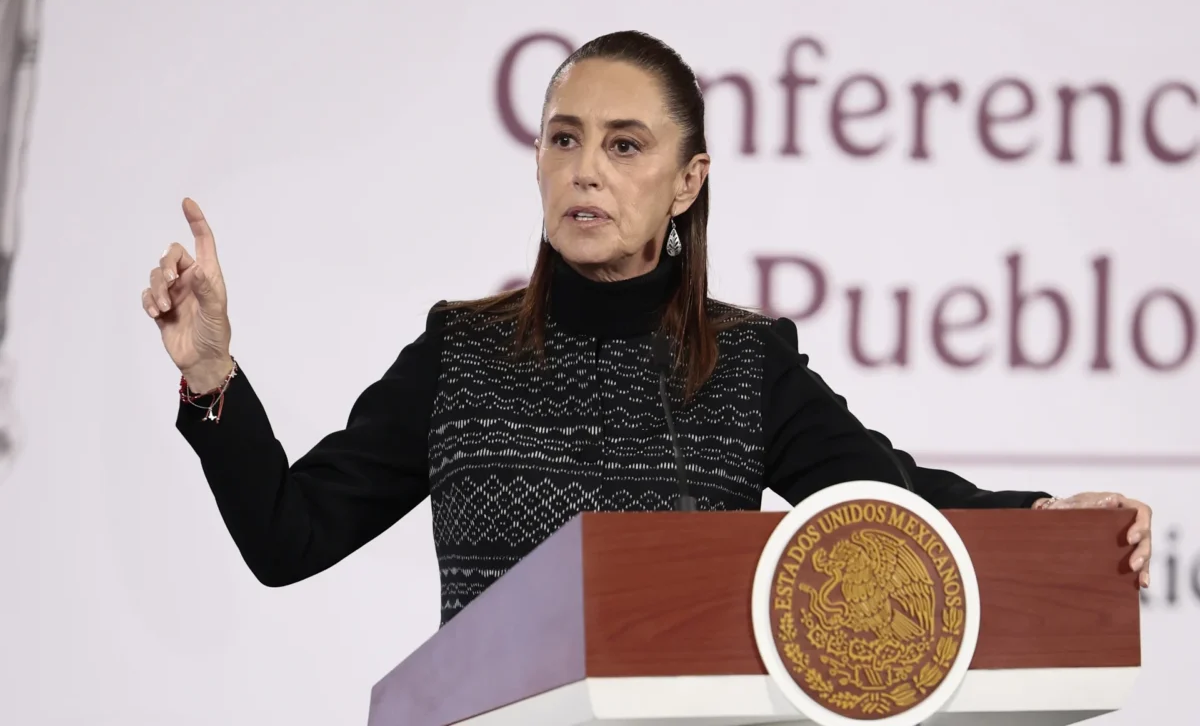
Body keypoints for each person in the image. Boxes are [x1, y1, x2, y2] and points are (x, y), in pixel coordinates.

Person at [141, 31, 1152, 627]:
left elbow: (893, 503)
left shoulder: (747, 363)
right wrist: (213, 373)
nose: (586, 168)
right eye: (564, 138)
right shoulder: (461, 352)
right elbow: (289, 535)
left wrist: (1046, 517)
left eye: (625, 146)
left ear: (686, 181)